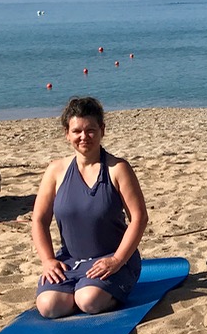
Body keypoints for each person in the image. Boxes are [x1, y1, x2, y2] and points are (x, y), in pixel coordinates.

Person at [31, 96, 148, 317]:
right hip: (71, 260)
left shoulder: (117, 168)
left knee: (88, 301)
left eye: (90, 130)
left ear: (102, 130)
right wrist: (48, 261)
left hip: (113, 258)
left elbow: (139, 218)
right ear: (67, 133)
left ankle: (91, 289)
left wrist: (117, 260)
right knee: (49, 306)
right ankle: (76, 289)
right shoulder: (56, 171)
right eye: (77, 131)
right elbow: (39, 220)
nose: (84, 137)